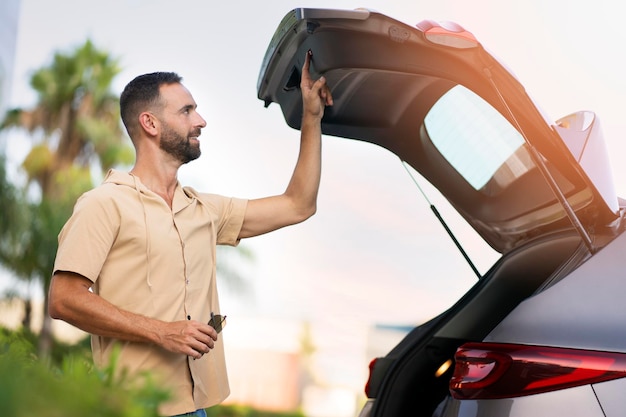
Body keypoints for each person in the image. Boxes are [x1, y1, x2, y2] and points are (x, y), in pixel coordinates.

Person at [48, 50, 333, 417]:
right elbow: (64, 298)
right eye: (186, 111)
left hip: (196, 407)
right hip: (132, 407)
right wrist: (161, 332)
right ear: (149, 123)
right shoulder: (104, 203)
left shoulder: (202, 209)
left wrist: (312, 117)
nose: (200, 121)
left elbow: (298, 204)